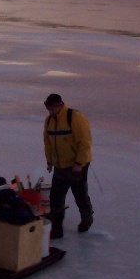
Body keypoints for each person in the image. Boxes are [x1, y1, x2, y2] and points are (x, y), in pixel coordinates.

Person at [42, 93, 93, 239]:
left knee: (80, 196)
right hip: (59, 166)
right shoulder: (48, 120)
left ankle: (87, 219)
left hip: (76, 166)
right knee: (56, 198)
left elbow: (85, 142)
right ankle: (56, 229)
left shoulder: (74, 117)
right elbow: (48, 143)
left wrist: (79, 163)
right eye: (46, 107)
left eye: (50, 107)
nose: (48, 110)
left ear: (58, 106)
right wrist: (49, 162)